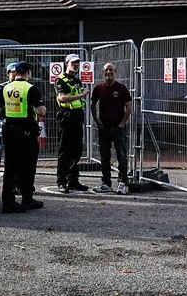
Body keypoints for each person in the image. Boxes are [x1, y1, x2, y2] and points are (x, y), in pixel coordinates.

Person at [0, 61, 46, 212]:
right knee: (28, 166)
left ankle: (8, 201)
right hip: (26, 133)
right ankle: (27, 198)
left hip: (9, 131)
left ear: (16, 72)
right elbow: (41, 111)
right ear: (28, 72)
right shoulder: (31, 89)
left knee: (10, 167)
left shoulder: (5, 88)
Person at [90, 62, 132, 195]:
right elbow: (92, 106)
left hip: (118, 128)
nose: (109, 73)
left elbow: (129, 107)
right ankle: (106, 183)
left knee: (122, 156)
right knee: (104, 157)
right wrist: (97, 121)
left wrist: (122, 124)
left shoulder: (121, 88)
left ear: (115, 72)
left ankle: (123, 183)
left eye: (111, 70)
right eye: (106, 71)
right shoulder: (98, 89)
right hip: (104, 128)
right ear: (103, 72)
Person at [53, 54, 88, 192]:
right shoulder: (60, 80)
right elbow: (62, 98)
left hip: (77, 117)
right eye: (73, 62)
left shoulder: (77, 80)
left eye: (77, 63)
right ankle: (61, 181)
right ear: (66, 63)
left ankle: (73, 180)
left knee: (77, 150)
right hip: (66, 118)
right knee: (65, 151)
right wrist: (82, 94)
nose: (76, 65)